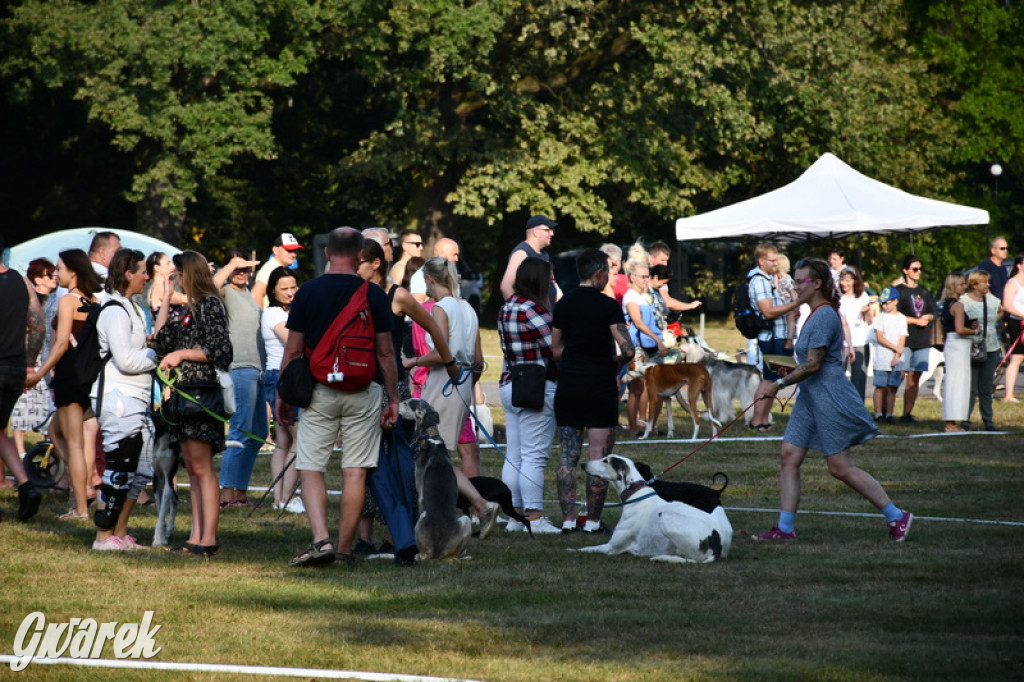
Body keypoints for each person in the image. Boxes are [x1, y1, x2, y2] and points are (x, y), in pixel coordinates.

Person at [753, 258, 913, 542]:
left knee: (839, 466)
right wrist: (784, 371)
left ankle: (897, 516)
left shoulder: (825, 315)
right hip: (810, 396)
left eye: (799, 281)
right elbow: (809, 362)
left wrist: (777, 385)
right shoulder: (812, 313)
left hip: (829, 395)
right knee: (789, 455)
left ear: (816, 284)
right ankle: (785, 529)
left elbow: (814, 364)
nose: (794, 286)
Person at [278, 227, 400, 567]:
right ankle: (345, 550)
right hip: (364, 390)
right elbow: (386, 353)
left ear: (328, 253)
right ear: (361, 254)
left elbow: (293, 350)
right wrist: (393, 398)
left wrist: (282, 396)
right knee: (355, 472)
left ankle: (321, 541)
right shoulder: (373, 294)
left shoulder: (308, 292)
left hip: (318, 391)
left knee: (311, 466)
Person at [154, 251, 233, 556]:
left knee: (202, 469)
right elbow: (160, 341)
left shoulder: (210, 304)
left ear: (191, 274)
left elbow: (221, 350)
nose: (177, 279)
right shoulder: (190, 308)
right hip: (186, 399)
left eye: (179, 274)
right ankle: (196, 536)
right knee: (192, 467)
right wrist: (165, 297)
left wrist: (183, 354)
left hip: (201, 396)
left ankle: (207, 538)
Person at [552, 249, 634, 534]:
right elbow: (628, 348)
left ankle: (567, 520)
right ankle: (593, 522)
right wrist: (616, 363)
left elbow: (555, 349)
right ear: (599, 271)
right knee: (598, 454)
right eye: (608, 271)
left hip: (570, 384)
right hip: (599, 384)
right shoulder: (608, 305)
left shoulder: (563, 305)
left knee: (567, 455)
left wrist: (575, 356)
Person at [90, 248, 159, 550]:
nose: (147, 276)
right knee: (118, 470)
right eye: (143, 271)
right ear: (128, 274)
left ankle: (119, 533)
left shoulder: (131, 307)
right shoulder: (115, 310)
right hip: (118, 399)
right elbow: (127, 360)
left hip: (139, 400)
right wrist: (158, 355)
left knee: (141, 469)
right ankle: (102, 537)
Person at [26, 249, 103, 520]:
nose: (56, 273)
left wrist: (38, 373)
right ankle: (83, 492)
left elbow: (60, 345)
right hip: (89, 378)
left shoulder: (68, 300)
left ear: (74, 271)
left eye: (59, 268)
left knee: (75, 444)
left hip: (70, 376)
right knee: (59, 433)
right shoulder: (95, 301)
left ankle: (81, 507)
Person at [498, 257, 560, 534]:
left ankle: (515, 517)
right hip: (536, 386)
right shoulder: (534, 310)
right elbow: (554, 350)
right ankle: (534, 517)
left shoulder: (507, 307)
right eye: (550, 277)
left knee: (515, 456)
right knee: (534, 456)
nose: (552, 282)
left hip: (510, 384)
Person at [212, 250, 267, 508]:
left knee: (257, 432)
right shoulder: (225, 291)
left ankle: (240, 492)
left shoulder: (247, 294)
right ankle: (227, 494)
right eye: (237, 267)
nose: (242, 272)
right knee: (241, 430)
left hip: (257, 370)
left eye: (245, 267)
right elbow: (208, 288)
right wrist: (232, 265)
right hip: (240, 367)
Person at [0, 234, 44, 521]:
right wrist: (30, 363)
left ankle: (27, 486)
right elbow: (38, 323)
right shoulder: (22, 281)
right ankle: (27, 486)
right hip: (15, 367)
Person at [259, 266, 303, 512]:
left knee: (284, 440)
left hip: (283, 377)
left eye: (293, 287)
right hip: (282, 378)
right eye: (283, 289)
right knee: (300, 438)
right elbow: (293, 342)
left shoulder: (289, 310)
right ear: (273, 291)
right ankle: (286, 498)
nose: (290, 293)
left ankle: (280, 499)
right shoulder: (274, 313)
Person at [748, 244, 802, 430]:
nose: (776, 263)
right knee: (769, 379)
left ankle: (763, 420)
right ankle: (757, 420)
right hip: (772, 337)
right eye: (772, 260)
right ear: (761, 261)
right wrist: (794, 305)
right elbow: (768, 311)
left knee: (774, 380)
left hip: (779, 335)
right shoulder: (760, 281)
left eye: (777, 259)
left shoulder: (769, 279)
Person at [9, 258, 57, 460]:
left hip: (43, 358)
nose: (54, 277)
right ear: (37, 279)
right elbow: (33, 329)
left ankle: (46, 449)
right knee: (21, 407)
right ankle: (20, 453)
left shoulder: (56, 299)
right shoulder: (29, 298)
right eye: (49, 275)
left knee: (48, 406)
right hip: (30, 358)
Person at [622, 259, 665, 436]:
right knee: (637, 388)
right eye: (643, 277)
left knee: (658, 386)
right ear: (632, 277)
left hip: (651, 346)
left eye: (648, 277)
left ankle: (651, 425)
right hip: (639, 347)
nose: (646, 280)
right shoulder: (630, 296)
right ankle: (633, 428)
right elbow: (638, 322)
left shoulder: (644, 296)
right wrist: (658, 340)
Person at [894, 255, 937, 423]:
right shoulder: (899, 291)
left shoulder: (924, 291)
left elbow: (933, 311)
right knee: (900, 375)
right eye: (914, 269)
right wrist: (915, 320)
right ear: (905, 271)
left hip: (922, 339)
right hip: (904, 338)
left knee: (915, 376)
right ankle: (886, 410)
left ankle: (907, 414)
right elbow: (894, 315)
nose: (918, 272)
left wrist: (928, 316)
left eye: (920, 269)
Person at [960, 270, 1001, 432]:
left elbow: (1000, 310)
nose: (988, 285)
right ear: (974, 284)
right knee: (970, 388)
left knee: (985, 387)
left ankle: (988, 420)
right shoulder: (963, 301)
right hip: (971, 347)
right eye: (985, 282)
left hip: (991, 347)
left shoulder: (992, 300)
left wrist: (992, 323)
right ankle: (965, 419)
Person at [939, 274, 977, 432]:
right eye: (961, 284)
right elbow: (960, 329)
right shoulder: (958, 306)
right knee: (957, 383)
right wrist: (975, 331)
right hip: (958, 345)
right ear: (953, 287)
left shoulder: (947, 305)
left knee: (953, 382)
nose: (964, 287)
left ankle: (951, 420)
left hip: (952, 344)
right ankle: (951, 423)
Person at [499, 214, 560, 305]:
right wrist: (520, 310)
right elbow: (505, 287)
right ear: (535, 231)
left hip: (545, 314)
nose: (552, 234)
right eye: (547, 230)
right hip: (532, 317)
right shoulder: (521, 253)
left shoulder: (544, 254)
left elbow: (551, 282)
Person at [870, 288, 907, 423]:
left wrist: (897, 355)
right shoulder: (880, 317)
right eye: (882, 304)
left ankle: (889, 414)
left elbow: (902, 337)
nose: (884, 306)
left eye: (887, 303)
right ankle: (878, 413)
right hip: (882, 358)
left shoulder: (902, 318)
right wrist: (895, 348)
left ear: (895, 301)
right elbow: (880, 337)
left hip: (897, 358)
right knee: (880, 386)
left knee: (892, 388)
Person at [838, 267, 874, 401]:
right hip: (841, 343)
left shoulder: (862, 297)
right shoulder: (837, 298)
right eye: (842, 279)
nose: (844, 283)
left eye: (848, 280)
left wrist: (866, 312)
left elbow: (869, 321)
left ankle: (858, 410)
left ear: (855, 281)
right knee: (838, 379)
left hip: (860, 342)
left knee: (859, 380)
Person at [648, 241, 701, 316]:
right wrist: (690, 306)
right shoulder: (645, 275)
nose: (665, 264)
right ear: (651, 258)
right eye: (662, 260)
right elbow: (668, 302)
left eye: (667, 260)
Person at [252, 233, 303, 308]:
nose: (293, 254)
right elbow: (256, 294)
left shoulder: (279, 268)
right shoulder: (270, 268)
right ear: (275, 250)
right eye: (289, 250)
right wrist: (263, 317)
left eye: (295, 251)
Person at [1000, 254, 1024, 402]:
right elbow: (1007, 305)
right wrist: (1022, 315)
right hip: (1017, 323)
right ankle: (1008, 394)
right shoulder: (1012, 283)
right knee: (1017, 357)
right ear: (1019, 265)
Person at [409, 237, 461, 304]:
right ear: (441, 254)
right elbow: (418, 304)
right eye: (454, 254)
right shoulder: (421, 275)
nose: (457, 259)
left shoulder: (451, 273)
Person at [146, 251, 188, 323]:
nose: (172, 266)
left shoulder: (156, 287)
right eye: (168, 263)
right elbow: (186, 299)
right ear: (157, 268)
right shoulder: (159, 288)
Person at [977, 237, 1009, 301]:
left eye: (1007, 248)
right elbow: (983, 286)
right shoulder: (986, 265)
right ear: (993, 251)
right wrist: (994, 303)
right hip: (991, 306)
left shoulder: (1003, 268)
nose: (1006, 251)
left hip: (1004, 307)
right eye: (1002, 248)